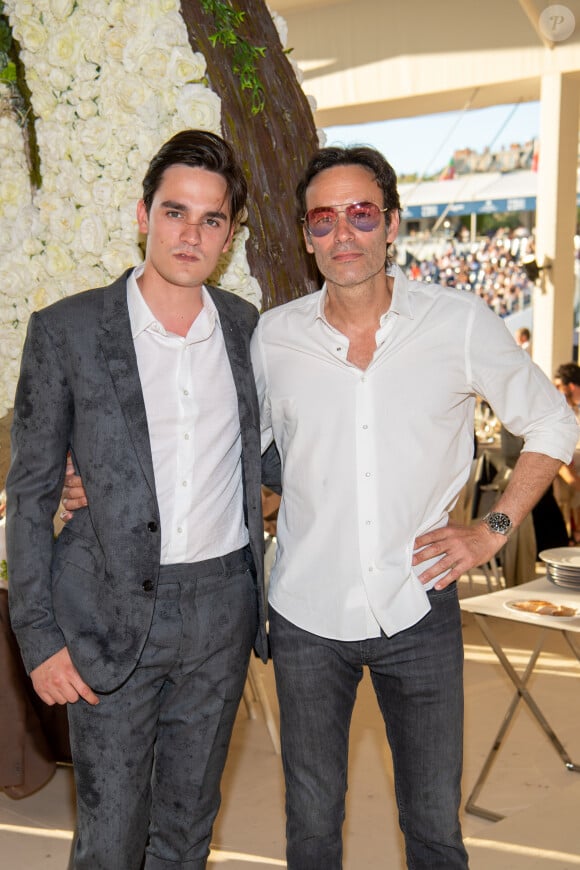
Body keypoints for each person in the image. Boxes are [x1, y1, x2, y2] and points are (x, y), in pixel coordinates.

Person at [249, 146, 578, 868]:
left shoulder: (456, 322)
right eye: (324, 219)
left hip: (419, 605)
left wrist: (493, 530)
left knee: (433, 829)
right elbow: (235, 450)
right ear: (306, 235)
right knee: (310, 827)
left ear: (392, 223)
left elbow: (555, 422)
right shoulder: (275, 338)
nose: (344, 234)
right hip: (305, 612)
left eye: (362, 214)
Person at [6, 130, 275, 870]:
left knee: (189, 832)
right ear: (143, 214)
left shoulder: (248, 332)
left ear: (229, 235)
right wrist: (37, 637)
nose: (191, 234)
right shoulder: (68, 332)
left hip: (221, 610)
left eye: (211, 219)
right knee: (111, 833)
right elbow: (28, 495)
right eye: (175, 212)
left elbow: (278, 453)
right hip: (107, 610)